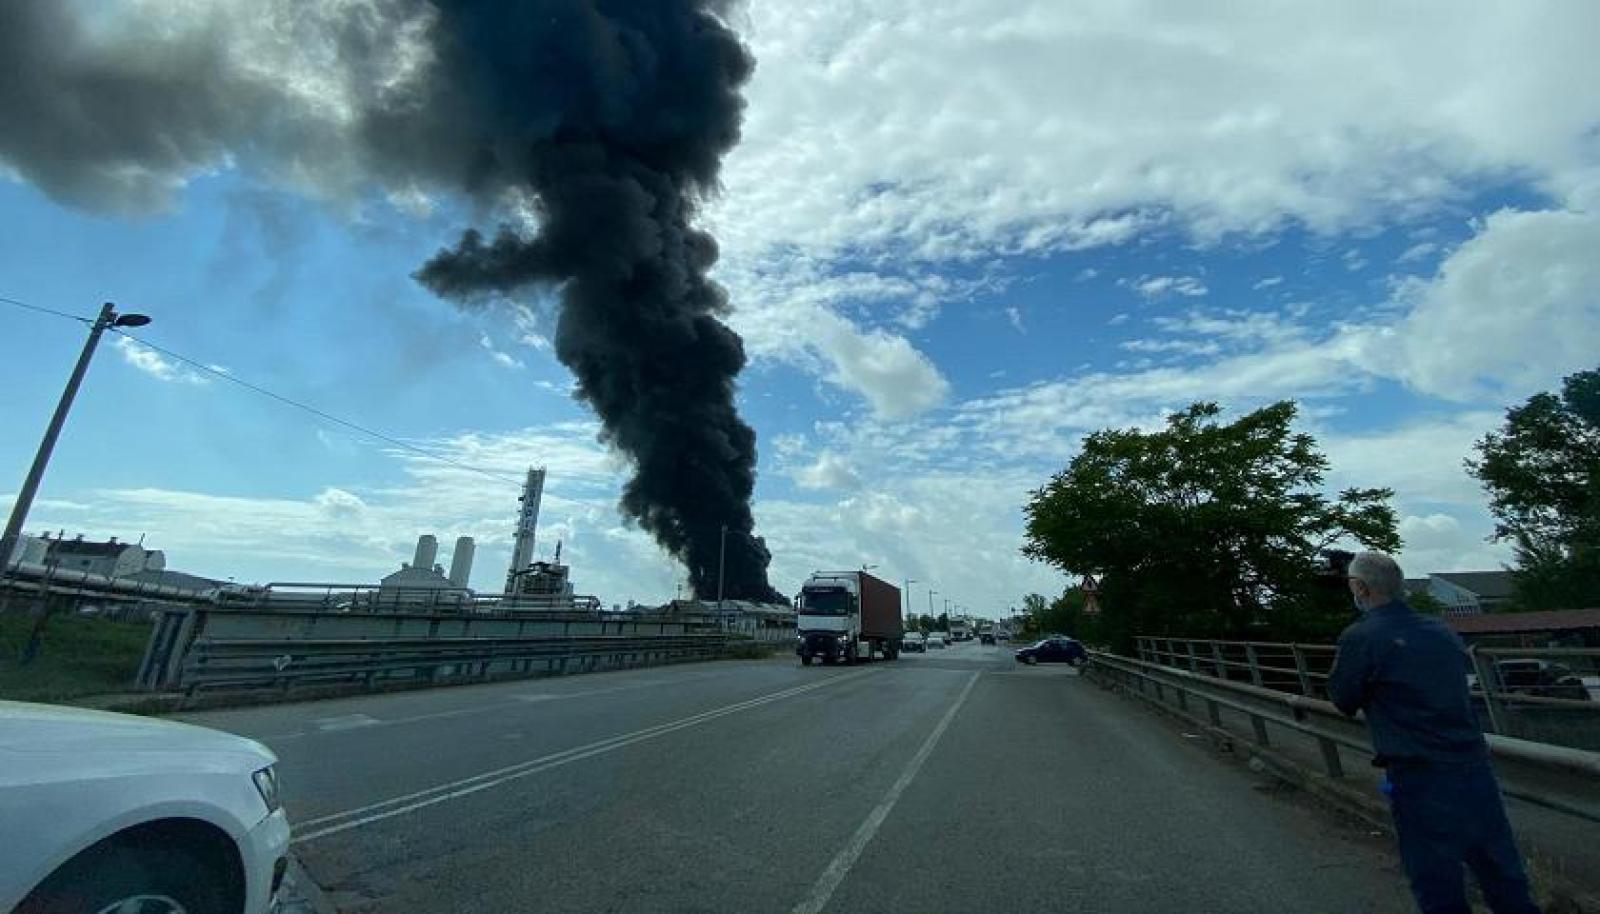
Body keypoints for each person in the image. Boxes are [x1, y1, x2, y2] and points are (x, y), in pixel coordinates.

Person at [1328, 551, 1540, 914]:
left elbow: (1343, 698)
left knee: (1435, 878)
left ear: (1360, 588)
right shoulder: (1440, 630)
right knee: (1501, 871)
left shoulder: (1362, 636)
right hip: (1473, 766)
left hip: (1417, 772)